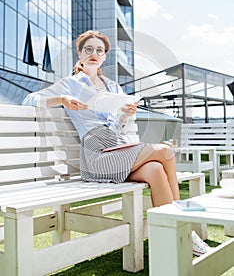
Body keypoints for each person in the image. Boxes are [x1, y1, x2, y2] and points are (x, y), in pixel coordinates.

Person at [22, 30, 211, 255]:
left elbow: (119, 126)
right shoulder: (70, 84)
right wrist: (62, 99)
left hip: (118, 149)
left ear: (105, 56)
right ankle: (185, 227)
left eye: (99, 50)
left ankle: (172, 237)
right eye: (88, 49)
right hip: (97, 155)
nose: (94, 53)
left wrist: (126, 113)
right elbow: (29, 99)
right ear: (80, 53)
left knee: (155, 170)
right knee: (166, 152)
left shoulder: (113, 88)